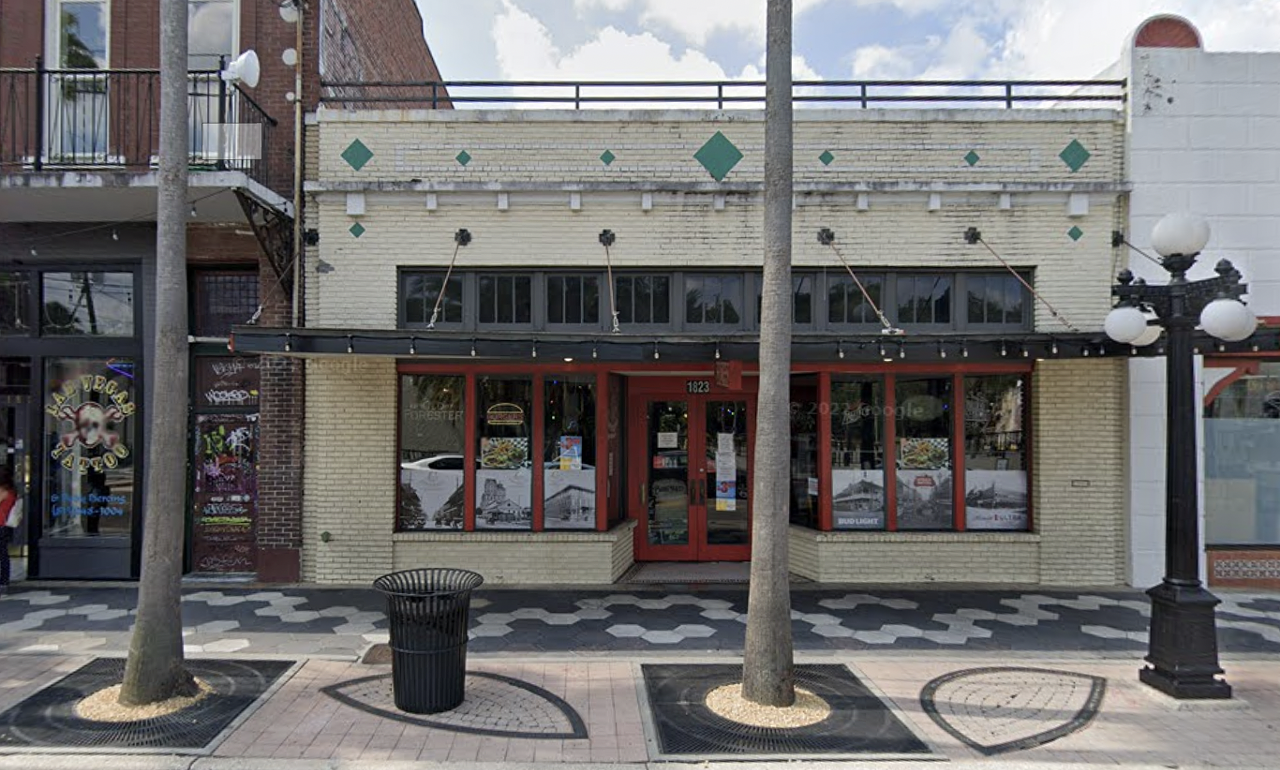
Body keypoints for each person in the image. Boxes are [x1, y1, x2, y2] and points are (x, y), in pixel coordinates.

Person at [0, 467, 22, 596]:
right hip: (4, 526)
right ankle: (4, 581)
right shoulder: (12, 491)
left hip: (0, 525)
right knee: (3, 554)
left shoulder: (3, 491)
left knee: (3, 555)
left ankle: (3, 581)